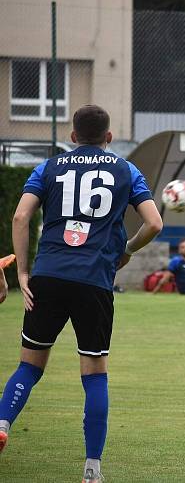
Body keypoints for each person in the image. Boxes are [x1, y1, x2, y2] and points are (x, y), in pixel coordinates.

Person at [0, 105, 163, 482]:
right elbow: (154, 222)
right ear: (109, 137)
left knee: (29, 365)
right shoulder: (126, 170)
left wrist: (23, 273)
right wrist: (128, 251)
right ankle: (92, 469)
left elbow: (21, 217)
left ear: (72, 136)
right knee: (94, 371)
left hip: (49, 276)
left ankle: (4, 422)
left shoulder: (49, 168)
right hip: (94, 281)